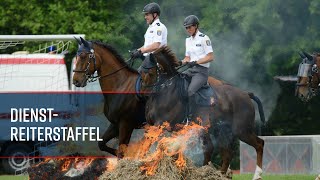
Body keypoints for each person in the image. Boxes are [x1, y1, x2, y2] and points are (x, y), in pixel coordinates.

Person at [181, 15, 214, 120]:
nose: (188, 30)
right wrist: (179, 62)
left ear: (196, 26)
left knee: (190, 91)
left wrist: (196, 62)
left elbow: (210, 57)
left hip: (201, 72)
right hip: (191, 69)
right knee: (178, 82)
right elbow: (187, 57)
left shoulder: (204, 38)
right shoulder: (187, 40)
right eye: (186, 28)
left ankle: (191, 117)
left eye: (190, 27)